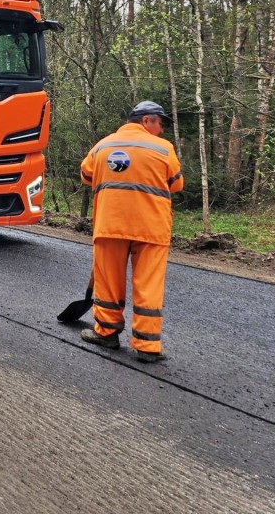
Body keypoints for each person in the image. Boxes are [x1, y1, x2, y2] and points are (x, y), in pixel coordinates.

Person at [79, 100, 184, 364]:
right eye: (160, 124)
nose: (161, 130)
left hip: (110, 225)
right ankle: (148, 346)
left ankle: (107, 332)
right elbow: (177, 184)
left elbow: (85, 175)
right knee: (148, 284)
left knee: (108, 281)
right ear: (146, 120)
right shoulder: (163, 149)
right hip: (151, 228)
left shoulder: (103, 145)